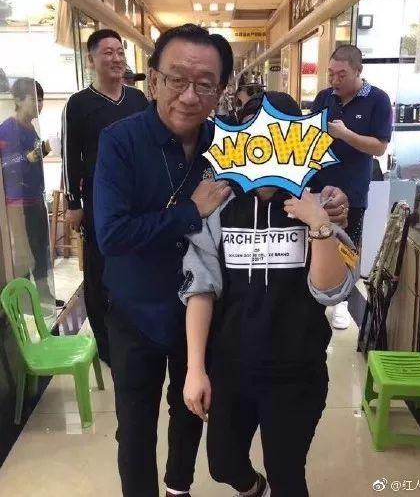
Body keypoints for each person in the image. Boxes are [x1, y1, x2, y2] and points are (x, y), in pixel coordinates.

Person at [93, 29, 350, 497]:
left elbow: (330, 283)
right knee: (136, 426)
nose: (190, 95)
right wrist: (190, 211)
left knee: (191, 413)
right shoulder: (121, 142)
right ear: (153, 79)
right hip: (142, 310)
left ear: (220, 91)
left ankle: (178, 488)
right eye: (177, 79)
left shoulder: (224, 145)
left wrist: (326, 212)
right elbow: (111, 235)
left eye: (205, 84)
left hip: (237, 333)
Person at [180, 150, 359, 495]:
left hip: (297, 370)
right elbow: (200, 290)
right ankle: (253, 488)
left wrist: (318, 224)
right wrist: (195, 369)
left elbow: (331, 291)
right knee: (223, 465)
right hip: (232, 366)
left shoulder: (319, 202)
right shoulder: (221, 204)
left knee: (287, 476)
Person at [61, 29, 148, 365]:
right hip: (98, 201)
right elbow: (70, 156)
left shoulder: (138, 100)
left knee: (137, 258)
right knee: (99, 269)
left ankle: (139, 328)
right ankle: (106, 344)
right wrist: (73, 204)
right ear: (91, 59)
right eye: (108, 52)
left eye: (120, 52)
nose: (116, 58)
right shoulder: (79, 104)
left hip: (138, 198)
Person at [311, 44, 392, 329]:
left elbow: (379, 147)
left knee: (347, 246)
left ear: (358, 71)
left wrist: (346, 135)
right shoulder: (324, 98)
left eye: (341, 74)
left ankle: (342, 302)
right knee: (318, 241)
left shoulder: (378, 100)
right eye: (331, 73)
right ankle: (316, 295)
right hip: (318, 187)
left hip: (352, 191)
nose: (334, 80)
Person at [0, 78, 57, 307]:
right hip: (17, 202)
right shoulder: (7, 128)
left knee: (41, 249)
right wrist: (29, 157)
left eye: (41, 99)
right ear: (18, 100)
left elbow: (30, 159)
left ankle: (43, 296)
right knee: (23, 255)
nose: (39, 105)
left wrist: (41, 151)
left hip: (35, 199)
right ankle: (24, 301)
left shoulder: (31, 128)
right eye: (34, 99)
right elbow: (5, 163)